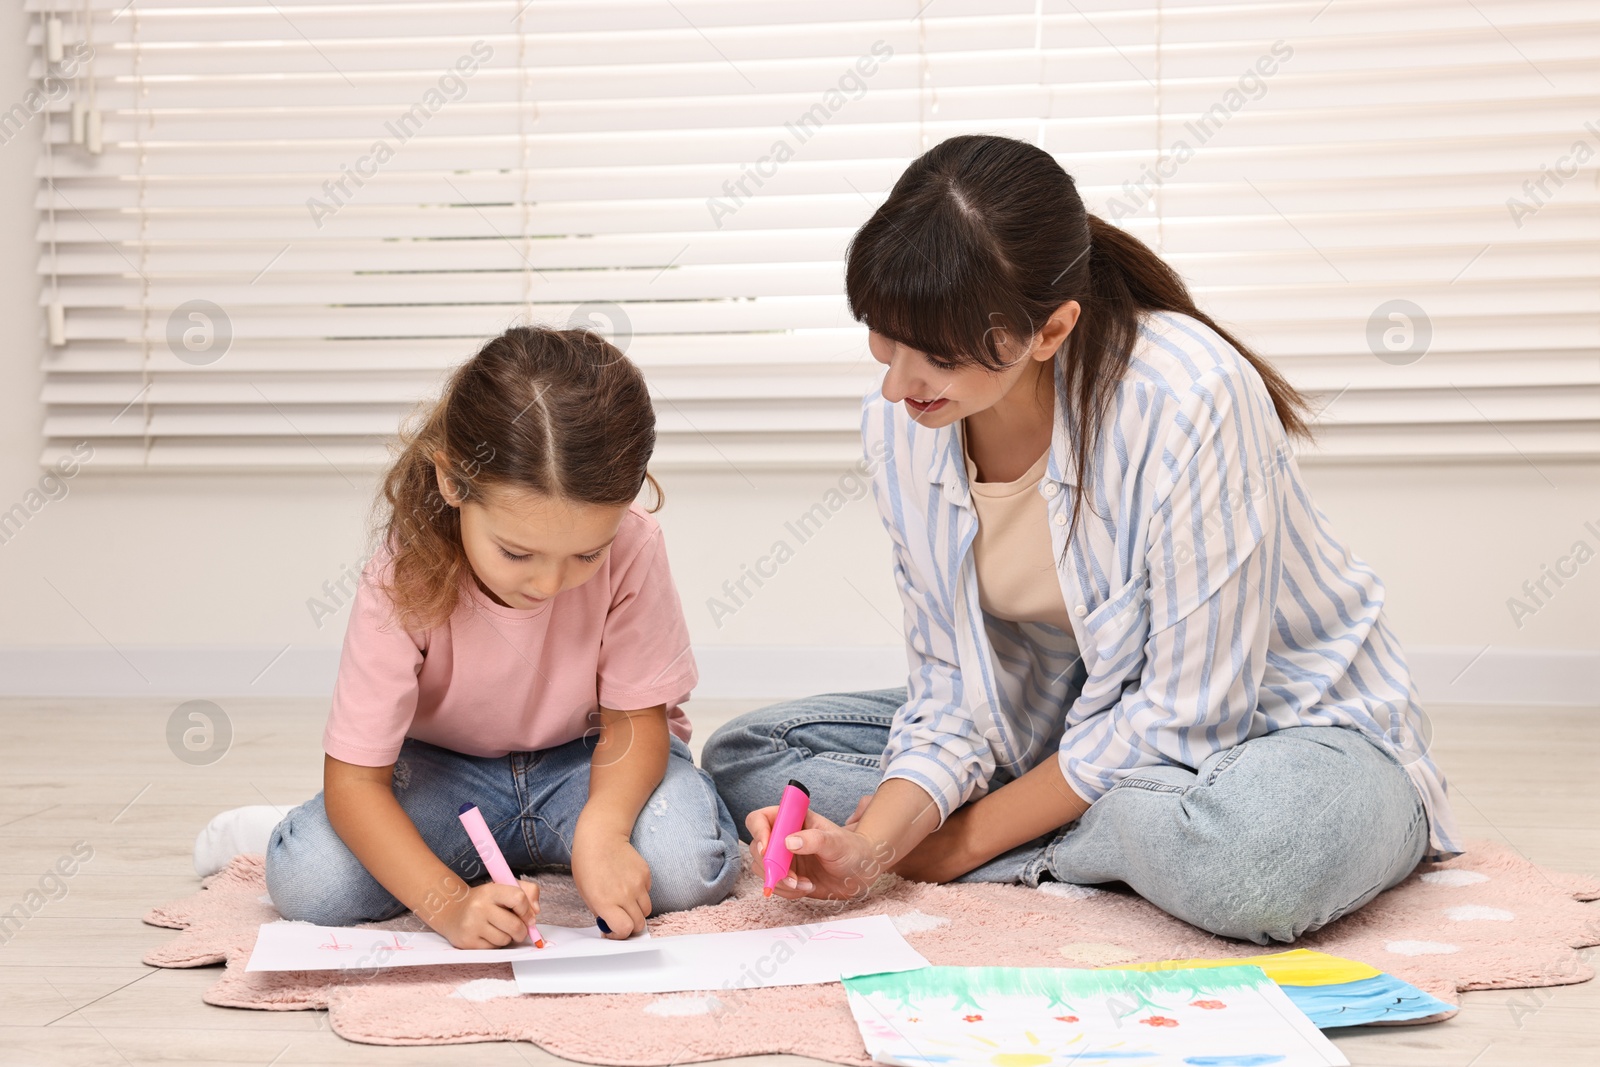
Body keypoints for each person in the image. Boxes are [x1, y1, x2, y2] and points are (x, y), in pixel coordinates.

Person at [703, 134, 1460, 946]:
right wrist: (873, 845)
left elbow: (1184, 718)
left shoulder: (1190, 396)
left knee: (1255, 860)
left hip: (1291, 729)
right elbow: (952, 688)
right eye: (884, 339)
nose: (896, 383)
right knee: (750, 752)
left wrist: (952, 843)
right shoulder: (905, 421)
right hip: (1074, 718)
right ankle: (1116, 840)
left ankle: (1042, 833)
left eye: (936, 357)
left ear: (1051, 329)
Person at [245, 326, 737, 947]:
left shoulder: (635, 546)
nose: (551, 582)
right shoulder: (402, 575)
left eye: (586, 555)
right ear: (453, 483)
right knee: (312, 880)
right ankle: (289, 830)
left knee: (687, 868)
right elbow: (355, 782)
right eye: (516, 552)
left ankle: (568, 844)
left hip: (592, 763)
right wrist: (448, 905)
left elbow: (636, 721)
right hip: (444, 778)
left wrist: (604, 833)